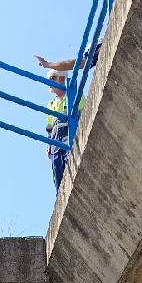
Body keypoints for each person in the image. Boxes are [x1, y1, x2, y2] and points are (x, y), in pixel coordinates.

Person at [36, 47, 100, 192]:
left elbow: (84, 112)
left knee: (70, 161)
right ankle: (61, 194)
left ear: (62, 78)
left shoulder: (73, 96)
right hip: (55, 137)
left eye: (53, 78)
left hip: (68, 131)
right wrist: (49, 144)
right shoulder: (50, 105)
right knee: (57, 169)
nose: (50, 83)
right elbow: (49, 126)